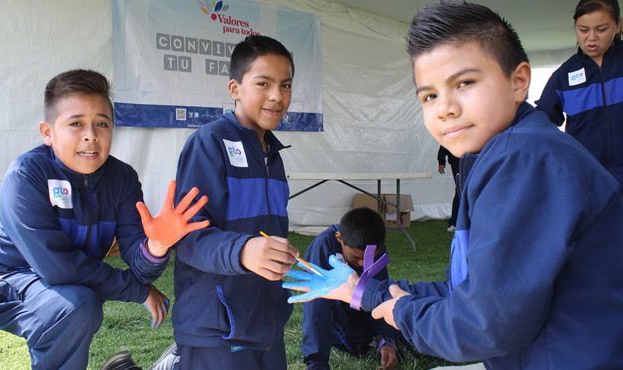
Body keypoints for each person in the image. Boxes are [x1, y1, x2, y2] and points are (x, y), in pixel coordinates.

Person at [283, 2, 623, 368]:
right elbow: (469, 294)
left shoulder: (524, 160)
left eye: (464, 83)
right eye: (429, 95)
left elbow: (480, 328)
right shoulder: (497, 154)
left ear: (519, 81)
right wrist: (364, 290)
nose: (445, 108)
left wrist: (400, 310)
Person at [0, 69, 209, 370]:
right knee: (78, 305)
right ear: (47, 132)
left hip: (64, 288)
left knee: (79, 301)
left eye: (102, 124)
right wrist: (138, 291)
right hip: (3, 282)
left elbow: (139, 263)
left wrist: (157, 246)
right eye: (76, 124)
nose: (91, 136)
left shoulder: (122, 178)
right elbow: (58, 268)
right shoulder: (27, 175)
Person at [163, 35, 300, 370]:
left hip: (266, 321)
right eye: (263, 83)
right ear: (235, 88)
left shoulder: (273, 154)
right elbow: (189, 239)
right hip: (216, 329)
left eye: (285, 85)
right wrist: (243, 251)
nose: (276, 96)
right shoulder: (209, 143)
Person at [536, 0, 623, 188]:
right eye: (583, 30)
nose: (591, 38)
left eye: (601, 29)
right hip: (590, 181)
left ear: (618, 25)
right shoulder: (563, 77)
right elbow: (540, 124)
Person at [301, 207, 400, 370]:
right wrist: (316, 363)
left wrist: (386, 339)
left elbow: (381, 293)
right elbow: (317, 308)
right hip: (337, 314)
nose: (363, 264)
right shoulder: (324, 247)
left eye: (371, 258)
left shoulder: (375, 248)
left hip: (362, 309)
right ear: (339, 239)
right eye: (356, 257)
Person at [437, 145, 459, 232]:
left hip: (470, 159)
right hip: (457, 160)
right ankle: (453, 223)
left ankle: (461, 221)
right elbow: (444, 145)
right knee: (460, 190)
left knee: (466, 190)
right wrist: (441, 161)